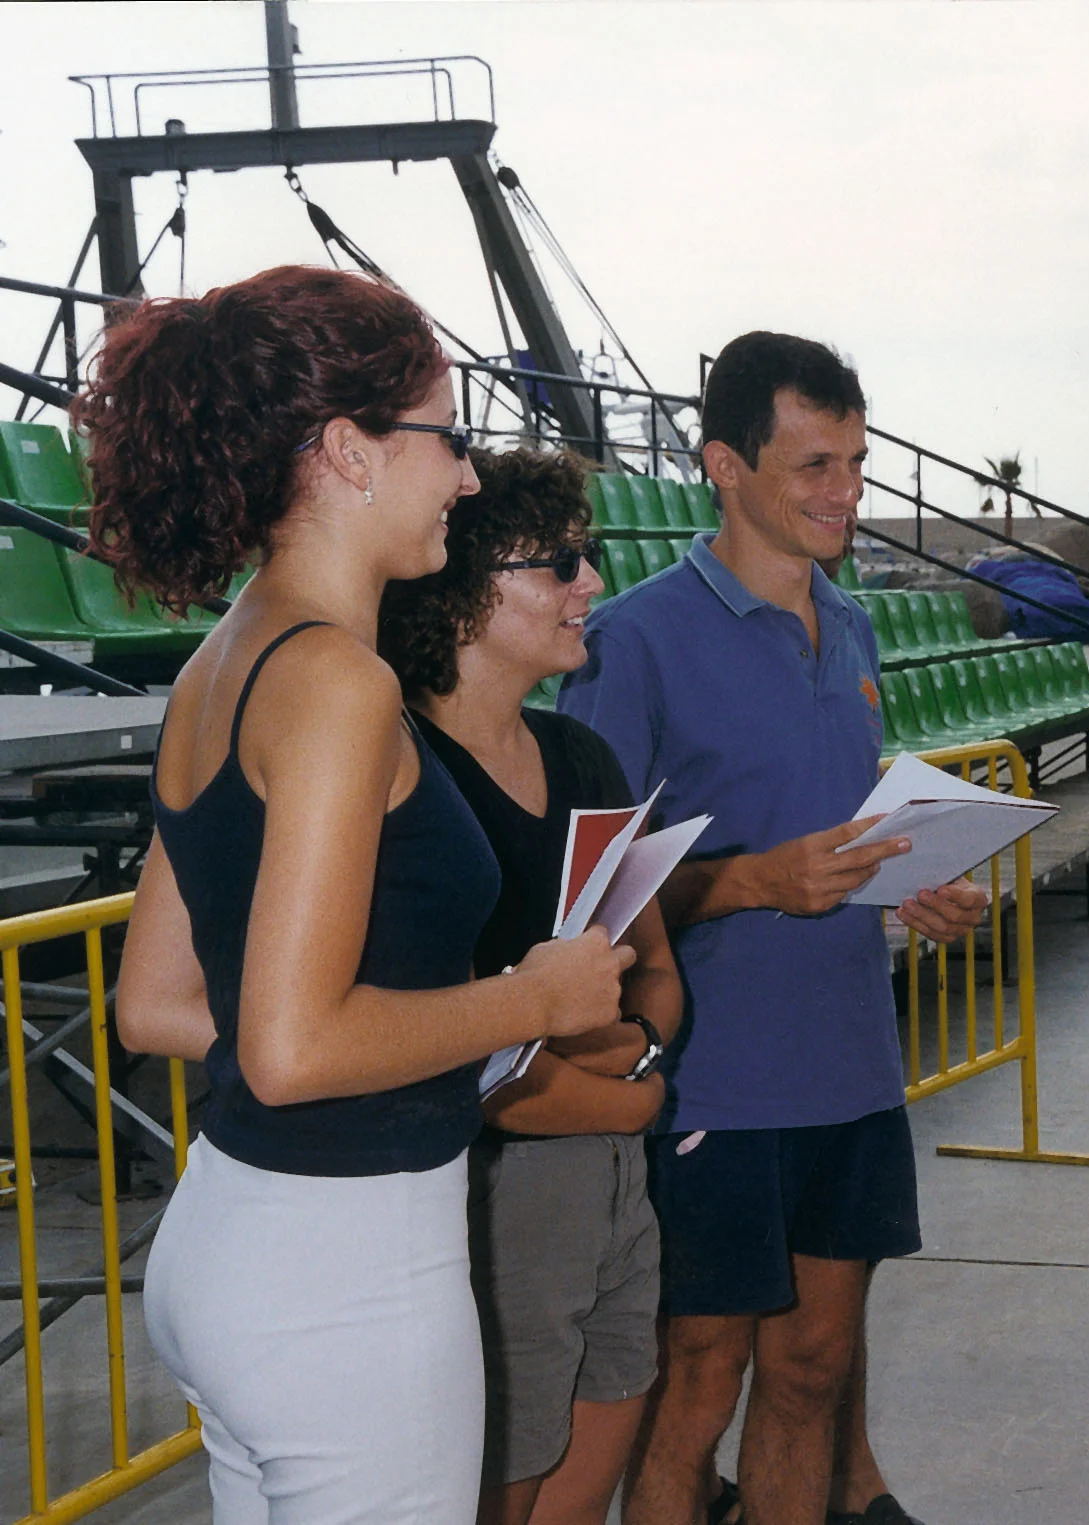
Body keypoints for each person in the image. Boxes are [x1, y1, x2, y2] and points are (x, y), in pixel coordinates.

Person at [99, 265, 631, 1521]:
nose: (465, 475)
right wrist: (527, 998)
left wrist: (396, 1039)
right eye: (446, 439)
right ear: (347, 450)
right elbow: (290, 1048)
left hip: (235, 1245)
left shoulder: (221, 662)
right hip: (347, 1272)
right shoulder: (341, 686)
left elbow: (160, 1006)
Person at [558, 331, 989, 1525]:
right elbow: (590, 901)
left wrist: (912, 884)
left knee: (811, 1372)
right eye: (812, 465)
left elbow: (833, 837)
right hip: (711, 1086)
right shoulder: (630, 641)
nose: (843, 492)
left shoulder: (850, 627)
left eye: (853, 462)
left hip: (851, 1068)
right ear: (723, 466)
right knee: (694, 1391)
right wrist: (754, 884)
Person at [377, 446, 686, 1525]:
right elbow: (439, 1038)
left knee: (601, 1435)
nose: (590, 582)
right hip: (493, 1189)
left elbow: (649, 967)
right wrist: (636, 1088)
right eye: (558, 563)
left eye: (589, 556)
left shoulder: (582, 754)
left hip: (609, 1171)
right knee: (495, 1480)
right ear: (465, 590)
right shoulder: (401, 773)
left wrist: (629, 1059)